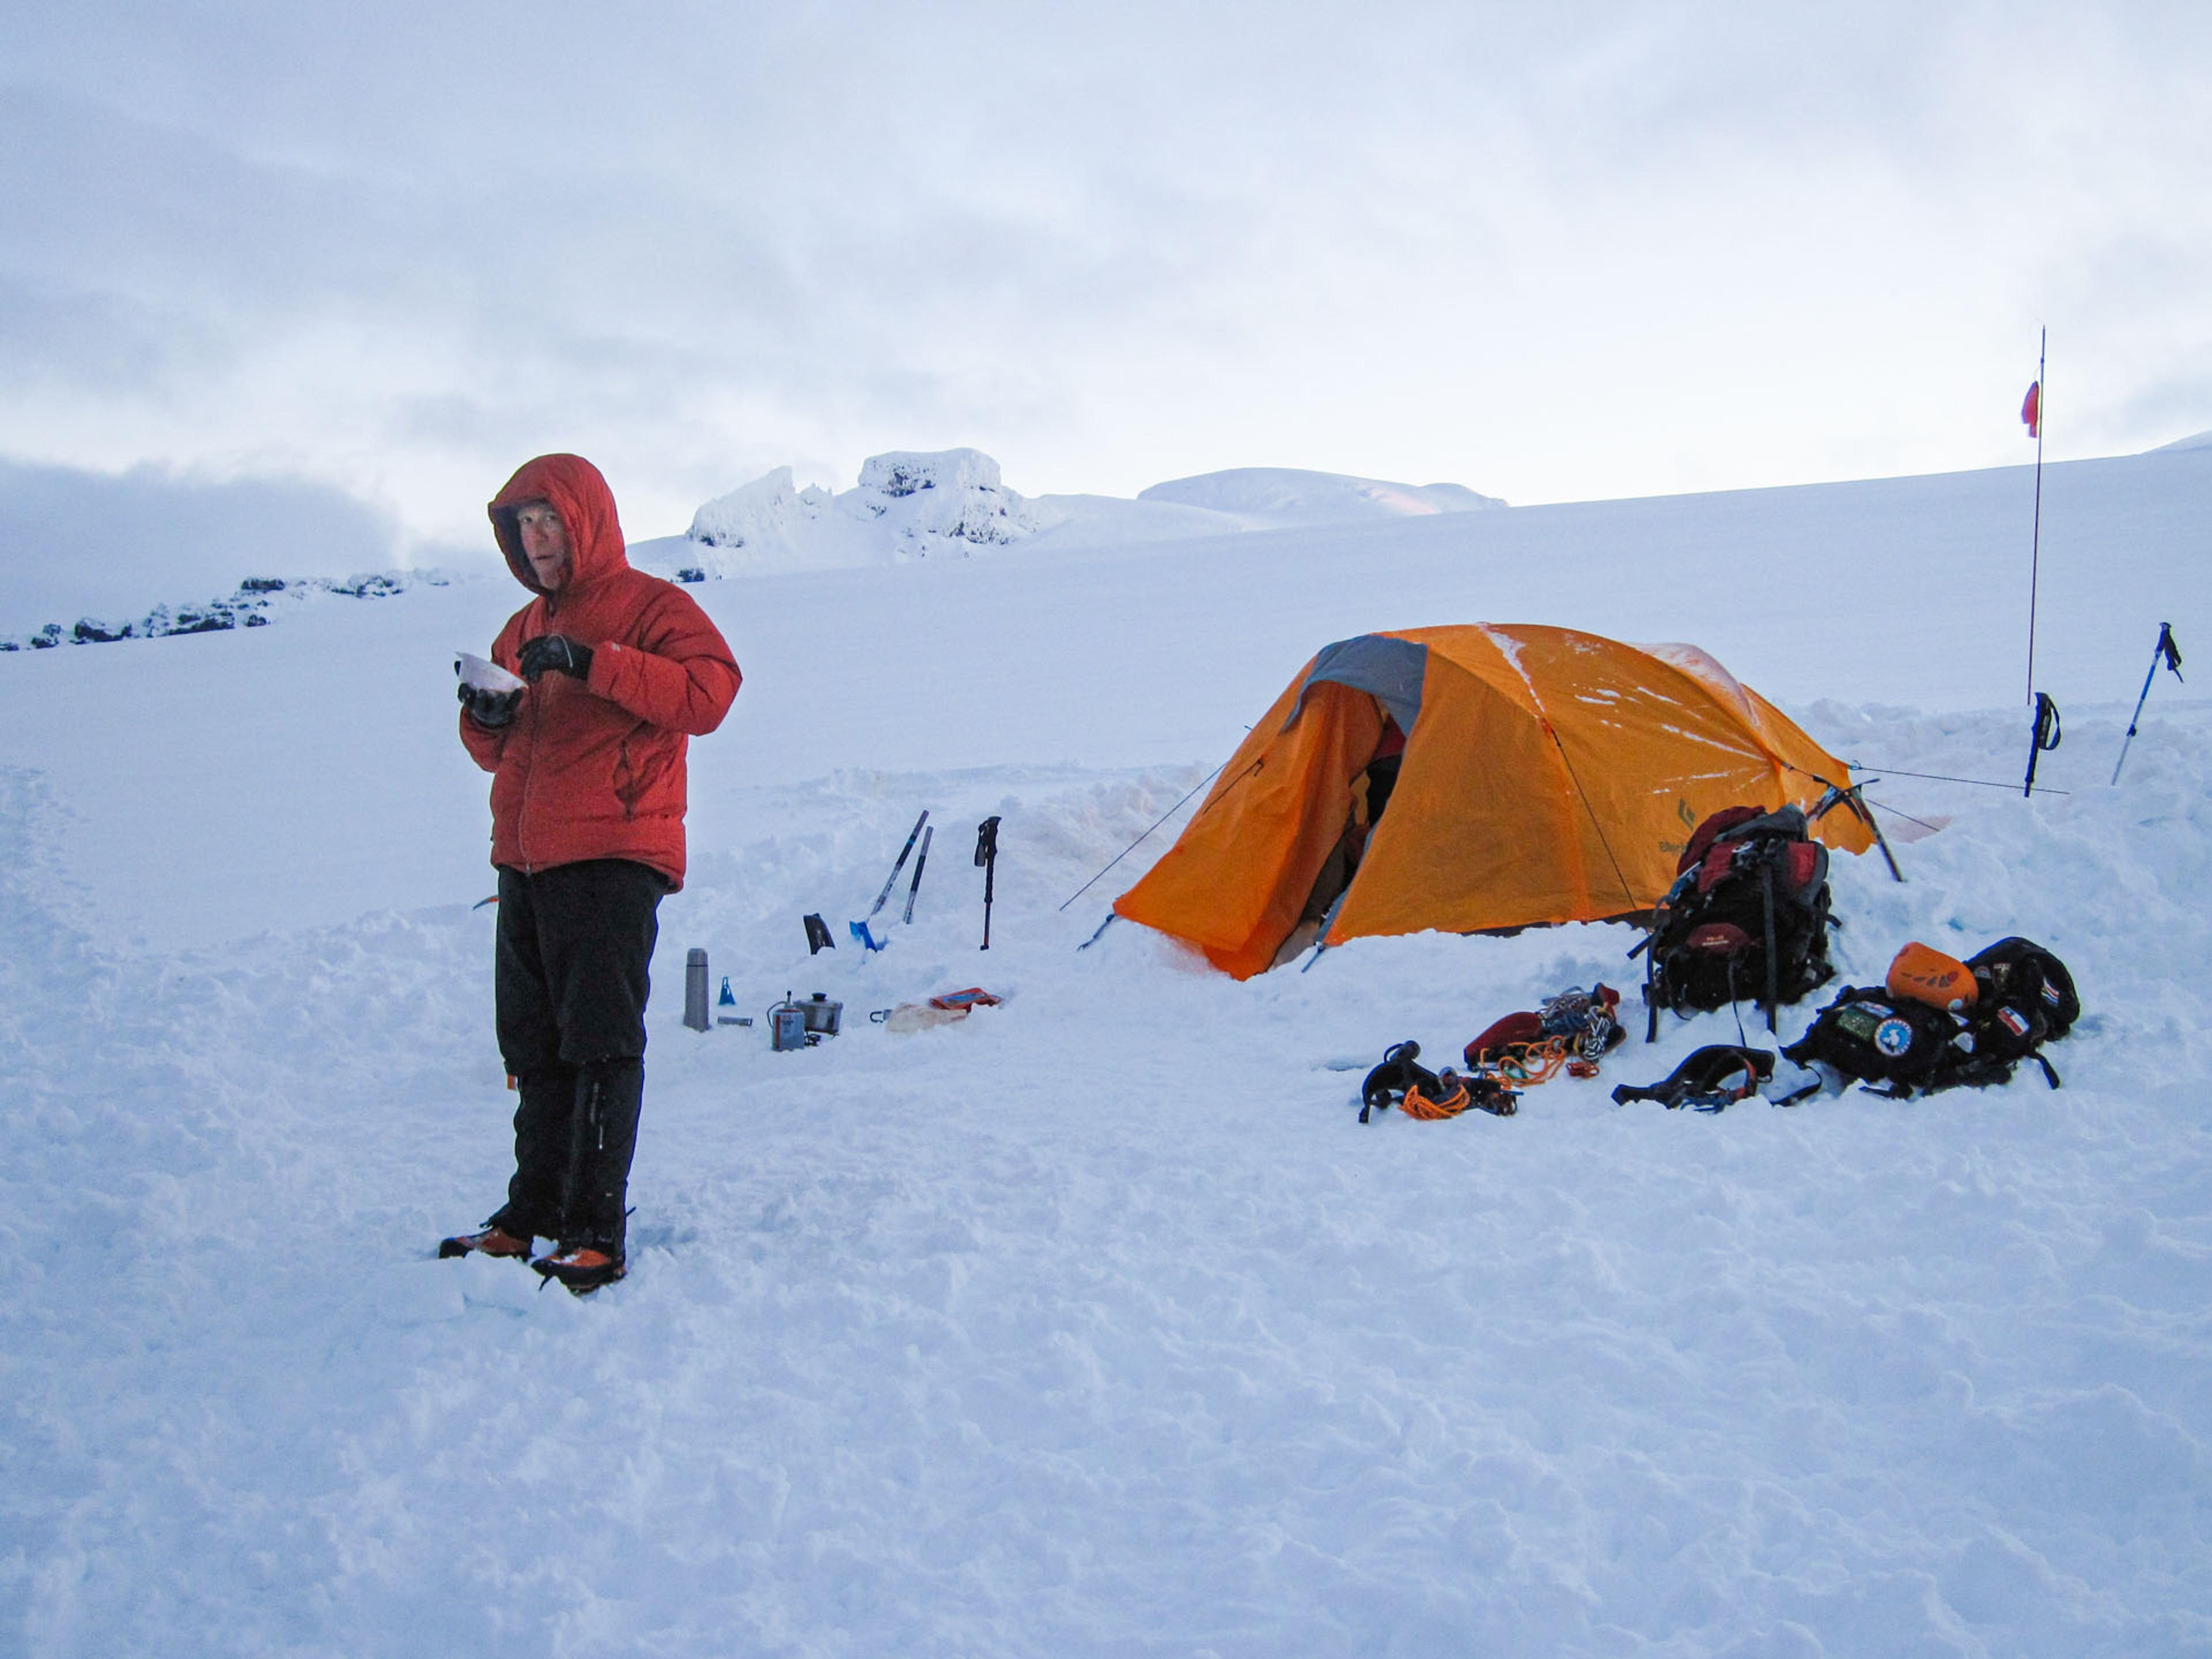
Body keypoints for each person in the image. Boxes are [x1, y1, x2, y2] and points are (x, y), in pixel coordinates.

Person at [440, 453, 741, 1291]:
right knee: (535, 1049)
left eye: (548, 521)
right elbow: (496, 755)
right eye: (521, 524)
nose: (535, 539)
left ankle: (595, 1229)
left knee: (600, 1041)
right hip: (527, 858)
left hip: (612, 852)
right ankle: (528, 1214)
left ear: (585, 521)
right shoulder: (520, 628)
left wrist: (595, 661)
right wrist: (485, 717)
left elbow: (710, 694)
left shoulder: (654, 608)